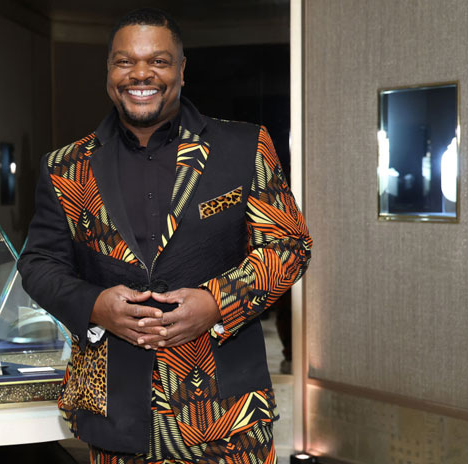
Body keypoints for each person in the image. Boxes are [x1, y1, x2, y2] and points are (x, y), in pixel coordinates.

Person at [18, 8, 312, 463]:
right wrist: (95, 306)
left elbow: (289, 246)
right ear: (109, 71)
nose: (140, 74)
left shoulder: (244, 147)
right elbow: (39, 264)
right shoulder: (65, 166)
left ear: (180, 69)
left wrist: (216, 303)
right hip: (114, 415)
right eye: (124, 61)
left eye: (158, 60)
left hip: (226, 412)